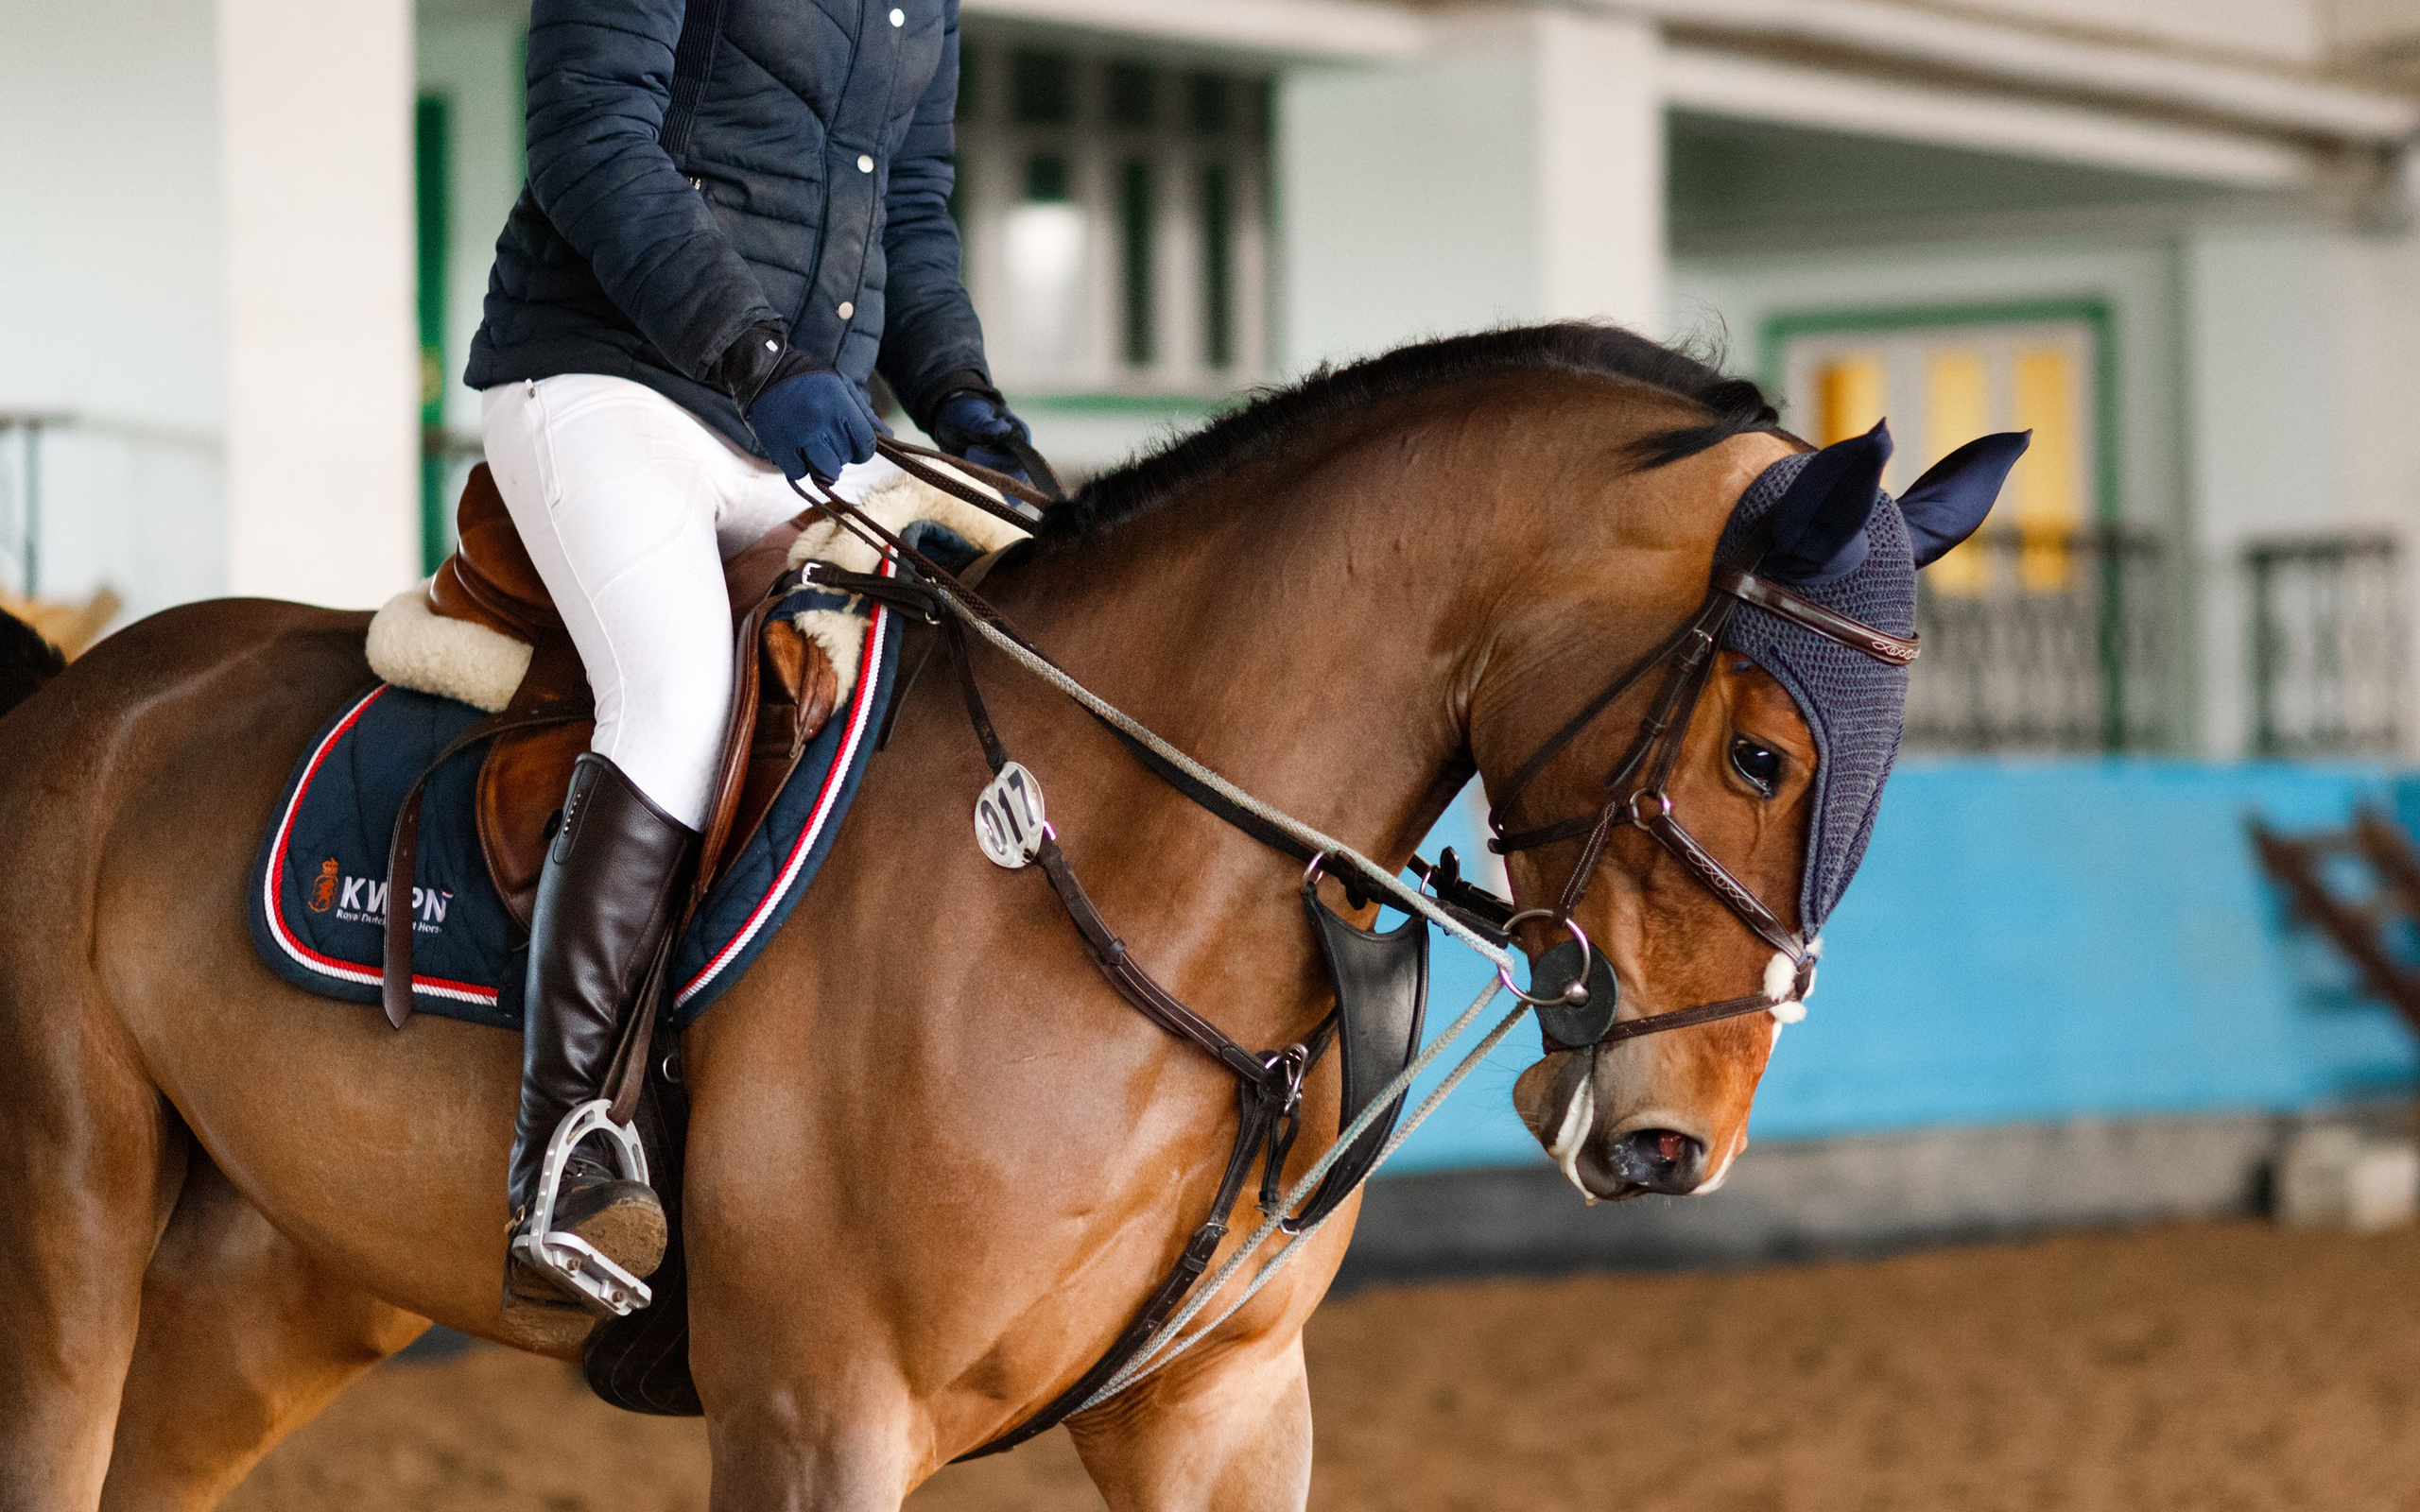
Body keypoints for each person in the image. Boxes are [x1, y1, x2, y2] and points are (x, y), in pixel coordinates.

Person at [460, 0, 1028, 1322]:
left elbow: (917, 212)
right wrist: (751, 351)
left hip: (799, 423)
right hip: (610, 385)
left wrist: (962, 401)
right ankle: (566, 1150)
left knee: (966, 668)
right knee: (677, 698)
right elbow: (588, 133)